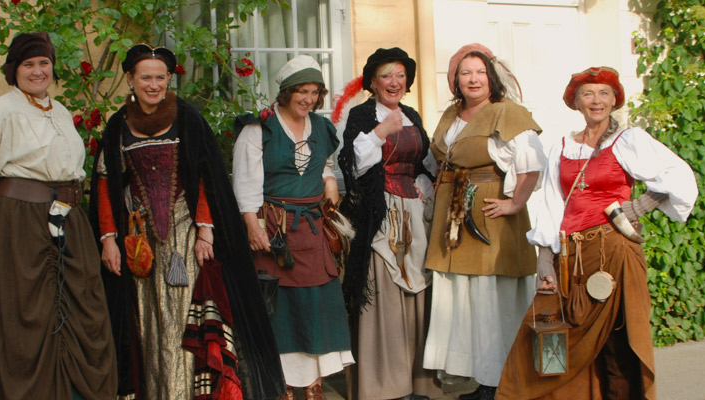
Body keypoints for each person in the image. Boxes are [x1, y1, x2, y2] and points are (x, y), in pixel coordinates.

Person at [90, 44, 285, 399]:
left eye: (160, 77)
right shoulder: (118, 126)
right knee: (147, 326)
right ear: (130, 79)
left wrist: (206, 231)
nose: (153, 84)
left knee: (184, 321)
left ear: (169, 79)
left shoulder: (187, 118)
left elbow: (205, 179)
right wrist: (107, 238)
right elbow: (106, 184)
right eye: (145, 77)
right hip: (140, 245)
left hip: (186, 238)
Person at [497, 66, 698, 399]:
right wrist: (545, 259)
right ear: (576, 102)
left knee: (619, 343)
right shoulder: (561, 146)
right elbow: (551, 205)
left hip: (616, 253)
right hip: (571, 257)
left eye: (604, 93)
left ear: (614, 100)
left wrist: (635, 208)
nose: (596, 100)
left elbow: (677, 177)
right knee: (555, 339)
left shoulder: (628, 140)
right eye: (588, 93)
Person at [0, 32, 117, 399]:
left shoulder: (58, 111)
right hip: (23, 220)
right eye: (29, 64)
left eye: (44, 63)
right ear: (14, 70)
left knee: (82, 304)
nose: (38, 71)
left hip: (69, 217)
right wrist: (4, 217)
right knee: (30, 312)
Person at [420, 43, 547, 400]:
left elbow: (532, 163)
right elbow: (437, 163)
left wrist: (514, 203)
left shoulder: (507, 112)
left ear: (491, 77)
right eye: (465, 73)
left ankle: (497, 378)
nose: (472, 79)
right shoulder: (450, 116)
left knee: (492, 296)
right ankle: (470, 374)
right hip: (454, 215)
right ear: (455, 81)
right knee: (459, 292)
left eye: (479, 72)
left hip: (490, 216)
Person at [232, 55, 354, 400]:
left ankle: (314, 386)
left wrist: (329, 180)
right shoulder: (258, 130)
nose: (309, 99)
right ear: (285, 92)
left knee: (317, 305)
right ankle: (282, 386)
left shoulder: (322, 127)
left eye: (315, 92)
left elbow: (324, 163)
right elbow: (245, 184)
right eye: (301, 91)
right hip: (274, 230)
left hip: (313, 229)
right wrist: (252, 226)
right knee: (282, 310)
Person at [337, 47, 440, 400]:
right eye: (386, 75)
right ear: (373, 82)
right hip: (378, 216)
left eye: (400, 75)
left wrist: (424, 184)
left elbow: (425, 162)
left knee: (417, 290)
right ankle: (383, 384)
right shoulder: (362, 116)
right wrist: (381, 130)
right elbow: (351, 165)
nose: (394, 82)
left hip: (413, 215)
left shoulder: (412, 114)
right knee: (383, 293)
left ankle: (417, 382)